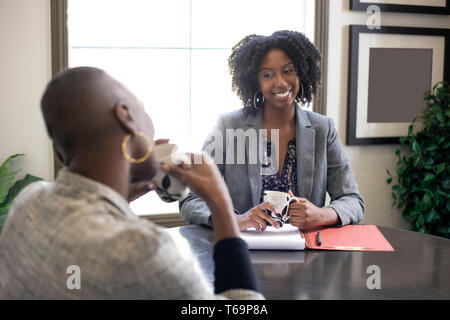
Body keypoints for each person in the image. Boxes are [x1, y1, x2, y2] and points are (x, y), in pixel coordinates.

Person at [0, 67, 263, 299]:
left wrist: (137, 183)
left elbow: (89, 205)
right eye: (141, 108)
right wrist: (220, 202)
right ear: (126, 116)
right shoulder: (139, 250)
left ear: (59, 154)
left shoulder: (28, 202)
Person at [180, 30, 365, 231]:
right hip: (244, 252)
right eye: (268, 75)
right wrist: (236, 219)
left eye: (288, 71)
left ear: (302, 73)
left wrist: (322, 214)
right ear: (255, 82)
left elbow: (353, 200)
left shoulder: (323, 129)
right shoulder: (228, 127)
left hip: (308, 253)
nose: (280, 82)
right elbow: (191, 199)